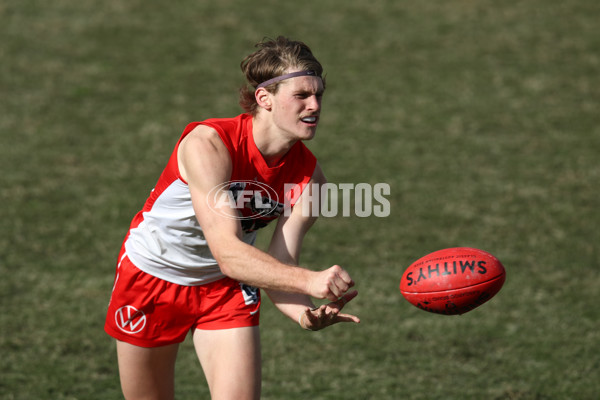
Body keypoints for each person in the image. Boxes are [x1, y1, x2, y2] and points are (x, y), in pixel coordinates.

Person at [104, 36, 360, 400]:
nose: (315, 105)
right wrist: (310, 281)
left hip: (224, 288)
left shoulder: (310, 179)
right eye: (301, 95)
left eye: (319, 94)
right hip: (153, 278)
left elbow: (279, 264)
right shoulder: (208, 144)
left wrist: (305, 314)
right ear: (264, 98)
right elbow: (227, 249)